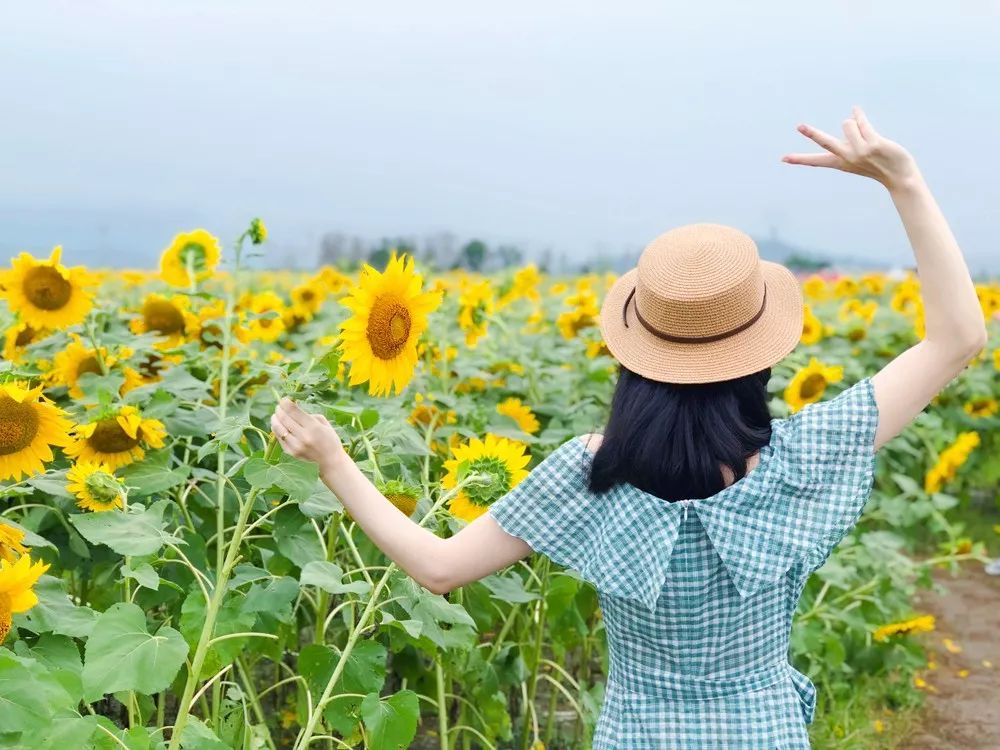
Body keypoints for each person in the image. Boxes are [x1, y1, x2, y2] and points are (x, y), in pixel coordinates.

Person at [270, 107, 987, 749]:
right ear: (759, 352)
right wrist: (906, 183)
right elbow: (956, 339)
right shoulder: (800, 457)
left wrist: (335, 460)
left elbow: (438, 567)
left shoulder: (591, 472)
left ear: (636, 349)